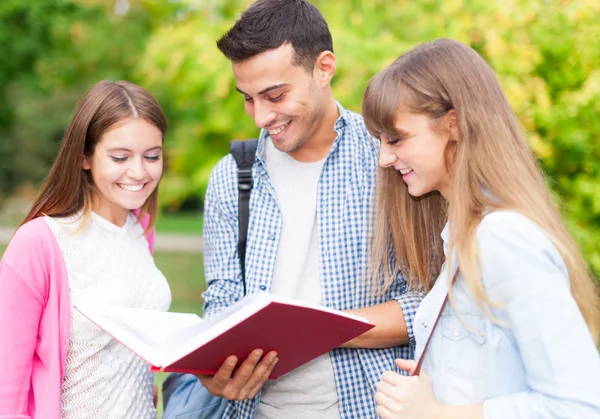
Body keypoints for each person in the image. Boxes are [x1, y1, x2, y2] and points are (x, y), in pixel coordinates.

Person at [162, 1, 421, 418]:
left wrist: (316, 329)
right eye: (247, 99)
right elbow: (223, 297)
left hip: (369, 407)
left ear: (324, 68)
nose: (261, 116)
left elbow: (426, 306)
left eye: (275, 95)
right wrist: (213, 366)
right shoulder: (232, 178)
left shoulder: (390, 163)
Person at [360, 38, 600, 419]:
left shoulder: (501, 238)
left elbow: (579, 405)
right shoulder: (459, 236)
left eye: (396, 139)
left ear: (452, 123)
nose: (384, 158)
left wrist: (434, 413)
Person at [0, 80, 172, 419]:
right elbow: (6, 390)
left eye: (152, 156)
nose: (139, 172)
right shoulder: (39, 243)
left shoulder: (140, 231)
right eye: (120, 157)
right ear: (84, 157)